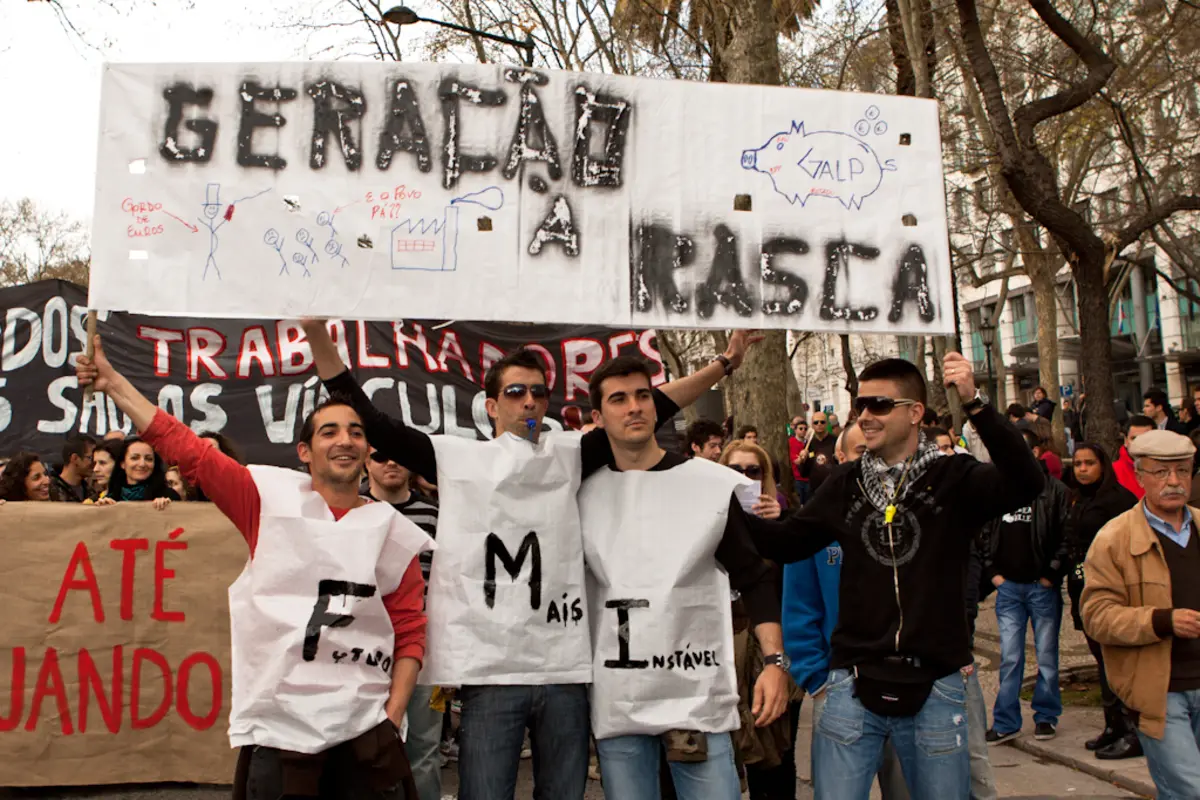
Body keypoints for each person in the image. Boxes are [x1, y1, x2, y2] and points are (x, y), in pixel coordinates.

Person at [302, 318, 758, 800]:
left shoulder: (571, 455)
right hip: (491, 674)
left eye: (539, 393)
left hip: (564, 674)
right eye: (517, 392)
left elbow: (658, 404)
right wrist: (316, 334)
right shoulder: (455, 460)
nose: (530, 403)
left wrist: (725, 364)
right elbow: (374, 423)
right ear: (492, 406)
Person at [76, 334, 432, 799]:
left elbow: (409, 629)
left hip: (364, 736)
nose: (345, 440)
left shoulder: (392, 531)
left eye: (357, 433)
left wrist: (393, 713)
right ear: (304, 452)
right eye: (329, 432)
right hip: (280, 731)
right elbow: (187, 449)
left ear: (367, 452)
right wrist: (114, 383)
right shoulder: (264, 500)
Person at [745, 353, 1043, 799]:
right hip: (853, 683)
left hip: (937, 685)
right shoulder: (845, 483)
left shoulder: (953, 478)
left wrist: (976, 404)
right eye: (860, 406)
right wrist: (722, 507)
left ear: (915, 412)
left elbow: (1026, 482)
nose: (865, 416)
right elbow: (787, 542)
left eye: (879, 405)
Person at [579, 357, 787, 799]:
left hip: (694, 696)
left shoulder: (708, 485)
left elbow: (754, 577)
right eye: (619, 399)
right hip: (620, 699)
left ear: (656, 407)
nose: (634, 407)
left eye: (642, 395)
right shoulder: (579, 491)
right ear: (598, 418)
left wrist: (774, 663)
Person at [783, 422, 910, 800]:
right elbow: (799, 608)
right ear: (839, 458)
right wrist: (817, 680)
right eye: (860, 452)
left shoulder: (911, 518)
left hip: (909, 689)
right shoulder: (816, 521)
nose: (871, 462)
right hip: (840, 688)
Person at [1082, 430, 1200, 798]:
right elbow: (1097, 616)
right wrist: (1161, 620)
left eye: (1182, 471)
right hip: (1158, 691)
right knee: (1189, 790)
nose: (1174, 482)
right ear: (1139, 476)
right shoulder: (1113, 538)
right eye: (1161, 473)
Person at [716, 439, 799, 799]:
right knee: (721, 762)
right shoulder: (707, 520)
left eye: (754, 471)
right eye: (735, 471)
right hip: (722, 657)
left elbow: (793, 591)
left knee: (774, 761)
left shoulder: (788, 526)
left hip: (771, 657)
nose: (745, 478)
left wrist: (775, 529)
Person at [363, 448, 442, 800]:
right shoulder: (351, 510)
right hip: (362, 648)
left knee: (423, 751)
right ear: (366, 461)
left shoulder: (435, 515)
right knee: (362, 747)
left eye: (398, 454)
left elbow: (449, 584)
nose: (391, 462)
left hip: (425, 648)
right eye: (380, 456)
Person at [981, 429, 1070, 744]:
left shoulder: (1054, 490)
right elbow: (983, 532)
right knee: (1010, 657)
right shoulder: (999, 489)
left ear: (1035, 452)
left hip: (1041, 586)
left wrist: (1051, 574)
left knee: (1046, 655)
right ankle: (1006, 720)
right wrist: (993, 573)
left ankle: (1046, 716)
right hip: (1008, 588)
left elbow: (1065, 536)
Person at [1063, 442, 1140, 759]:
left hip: (1111, 586)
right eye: (1078, 463)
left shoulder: (1118, 500)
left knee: (1117, 660)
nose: (1082, 469)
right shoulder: (1076, 497)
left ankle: (1132, 729)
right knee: (1101, 658)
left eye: (1089, 463)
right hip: (1082, 584)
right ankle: (1113, 725)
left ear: (1102, 465)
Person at [95, 437, 179, 509]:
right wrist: (101, 511)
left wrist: (168, 508)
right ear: (123, 464)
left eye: (149, 459)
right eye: (135, 458)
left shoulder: (168, 496)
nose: (142, 464)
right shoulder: (111, 498)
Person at [1113, 416, 1155, 500]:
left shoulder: (1170, 468)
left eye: (1145, 439)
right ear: (1126, 441)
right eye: (1134, 438)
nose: (1139, 443)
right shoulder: (1112, 472)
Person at [797, 411, 837, 494]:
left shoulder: (835, 441)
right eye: (816, 422)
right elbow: (804, 473)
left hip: (833, 489)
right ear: (812, 425)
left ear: (826, 424)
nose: (819, 424)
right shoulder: (809, 444)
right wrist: (803, 461)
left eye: (822, 422)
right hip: (815, 490)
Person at [48, 435, 96, 502]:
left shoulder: (91, 492)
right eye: (91, 458)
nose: (95, 464)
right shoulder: (49, 490)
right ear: (75, 458)